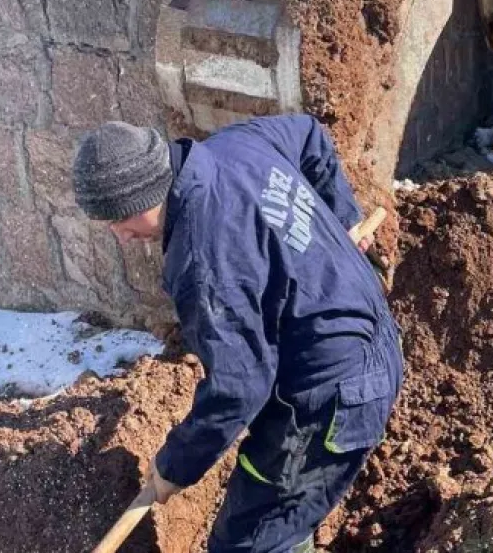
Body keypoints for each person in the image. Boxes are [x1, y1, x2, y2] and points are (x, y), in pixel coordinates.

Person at [71, 115, 403, 553]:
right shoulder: (234, 146)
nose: (118, 234)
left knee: (251, 543)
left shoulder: (205, 263)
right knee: (269, 524)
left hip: (334, 396)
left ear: (145, 194)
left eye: (118, 219)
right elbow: (309, 134)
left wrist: (175, 464)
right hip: (361, 334)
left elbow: (238, 387)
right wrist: (341, 215)